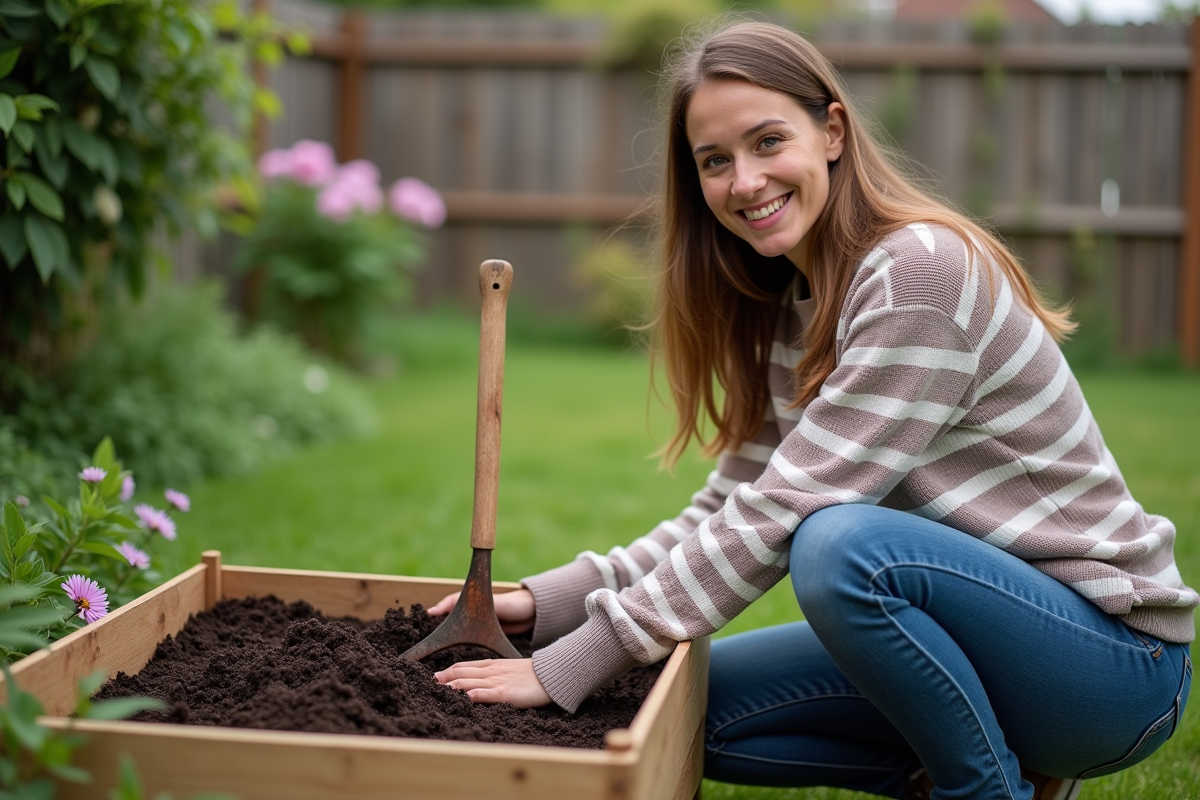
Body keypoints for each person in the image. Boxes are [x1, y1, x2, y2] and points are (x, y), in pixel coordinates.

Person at [429, 19, 1196, 800]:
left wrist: (578, 659)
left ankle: (985, 791)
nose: (746, 181)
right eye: (715, 162)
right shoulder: (799, 304)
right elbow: (731, 507)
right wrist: (549, 602)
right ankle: (1011, 771)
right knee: (683, 709)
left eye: (768, 142)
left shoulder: (919, 276)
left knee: (839, 546)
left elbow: (789, 510)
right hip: (979, 645)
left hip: (1111, 664)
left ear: (831, 130)